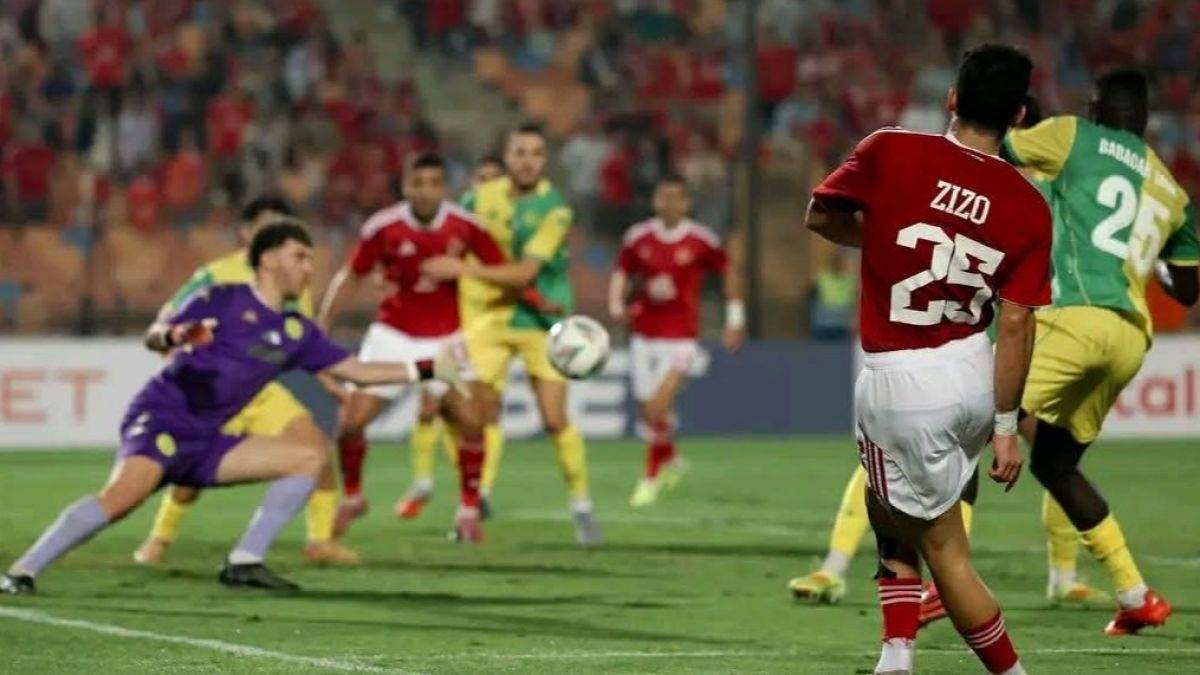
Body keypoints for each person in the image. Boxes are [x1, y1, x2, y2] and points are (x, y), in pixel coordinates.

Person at [0, 221, 462, 594]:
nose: (309, 269)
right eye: (300, 257)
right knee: (120, 500)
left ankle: (244, 560)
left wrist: (428, 368)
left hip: (209, 439)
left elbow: (357, 371)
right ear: (268, 259)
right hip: (164, 418)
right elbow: (154, 336)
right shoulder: (223, 299)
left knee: (308, 456)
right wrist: (175, 335)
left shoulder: (296, 332)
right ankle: (22, 571)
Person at [807, 44, 1049, 675]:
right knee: (885, 499)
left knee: (947, 552)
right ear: (1018, 116)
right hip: (972, 370)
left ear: (952, 98)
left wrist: (888, 238)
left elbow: (820, 216)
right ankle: (896, 653)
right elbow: (1016, 323)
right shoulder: (1029, 205)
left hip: (903, 380)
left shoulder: (890, 150)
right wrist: (1005, 427)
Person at [1002, 68, 1200, 635]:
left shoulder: (1072, 134)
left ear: (1094, 107)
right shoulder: (1171, 189)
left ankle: (940, 585)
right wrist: (1151, 264)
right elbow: (1188, 288)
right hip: (1131, 336)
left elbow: (1000, 145)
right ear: (1145, 120)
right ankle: (1136, 596)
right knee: (1055, 464)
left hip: (1075, 317)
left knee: (970, 416)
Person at [133, 197, 358, 567]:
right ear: (246, 232)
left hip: (263, 390)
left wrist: (329, 382)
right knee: (188, 476)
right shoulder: (215, 275)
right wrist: (177, 358)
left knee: (317, 447)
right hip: (215, 389)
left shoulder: (292, 282)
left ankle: (320, 541)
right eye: (266, 226)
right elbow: (169, 318)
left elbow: (300, 343)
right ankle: (158, 540)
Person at [421, 123, 602, 545]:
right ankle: (476, 501)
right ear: (506, 157)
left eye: (536, 153)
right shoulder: (477, 199)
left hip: (540, 320)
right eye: (520, 152)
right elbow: (451, 244)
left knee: (554, 419)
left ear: (545, 160)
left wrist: (461, 270)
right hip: (488, 318)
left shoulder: (555, 209)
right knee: (474, 414)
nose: (527, 161)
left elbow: (524, 273)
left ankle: (581, 506)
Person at [320, 153, 504, 542]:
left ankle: (468, 511)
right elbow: (352, 275)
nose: (425, 192)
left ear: (444, 187)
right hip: (393, 336)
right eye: (417, 184)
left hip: (446, 340)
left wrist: (464, 270)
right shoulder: (383, 227)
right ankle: (353, 497)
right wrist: (323, 325)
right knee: (350, 423)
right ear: (404, 186)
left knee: (472, 422)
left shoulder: (466, 226)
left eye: (434, 183)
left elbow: (502, 270)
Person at [608, 175, 744, 507]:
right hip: (643, 335)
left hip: (681, 338)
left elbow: (728, 272)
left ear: (686, 203)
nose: (668, 203)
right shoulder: (638, 237)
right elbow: (623, 272)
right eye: (663, 196)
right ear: (655, 201)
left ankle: (651, 477)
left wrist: (735, 320)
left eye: (675, 197)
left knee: (657, 406)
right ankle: (670, 458)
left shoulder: (700, 240)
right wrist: (616, 303)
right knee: (649, 411)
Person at [395, 153, 508, 522]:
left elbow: (513, 274)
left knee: (483, 412)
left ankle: (480, 491)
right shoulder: (453, 225)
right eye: (480, 179)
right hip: (451, 326)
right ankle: (425, 481)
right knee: (433, 407)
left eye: (493, 180)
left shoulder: (502, 228)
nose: (486, 186)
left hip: (491, 328)